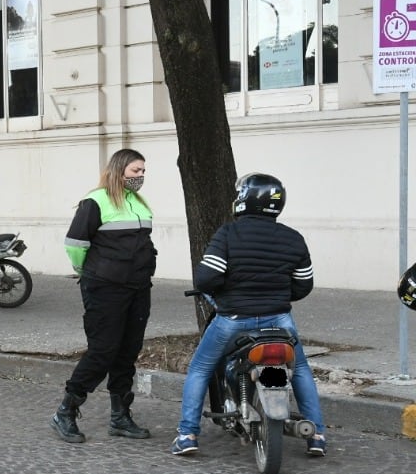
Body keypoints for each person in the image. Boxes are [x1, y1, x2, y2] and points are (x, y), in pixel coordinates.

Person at [171, 173, 327, 457]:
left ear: (243, 199)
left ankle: (187, 434)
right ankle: (316, 435)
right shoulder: (294, 239)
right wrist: (275, 295)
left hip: (233, 319)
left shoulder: (228, 235)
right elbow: (304, 285)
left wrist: (229, 291)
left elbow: (206, 278)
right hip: (279, 320)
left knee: (200, 368)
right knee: (301, 370)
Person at [51, 148, 156, 443]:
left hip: (137, 288)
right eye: (136, 171)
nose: (141, 176)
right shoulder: (95, 201)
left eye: (143, 171)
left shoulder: (138, 202)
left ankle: (120, 417)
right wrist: (89, 272)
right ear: (119, 170)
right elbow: (75, 243)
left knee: (127, 352)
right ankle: (66, 410)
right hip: (105, 288)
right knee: (103, 351)